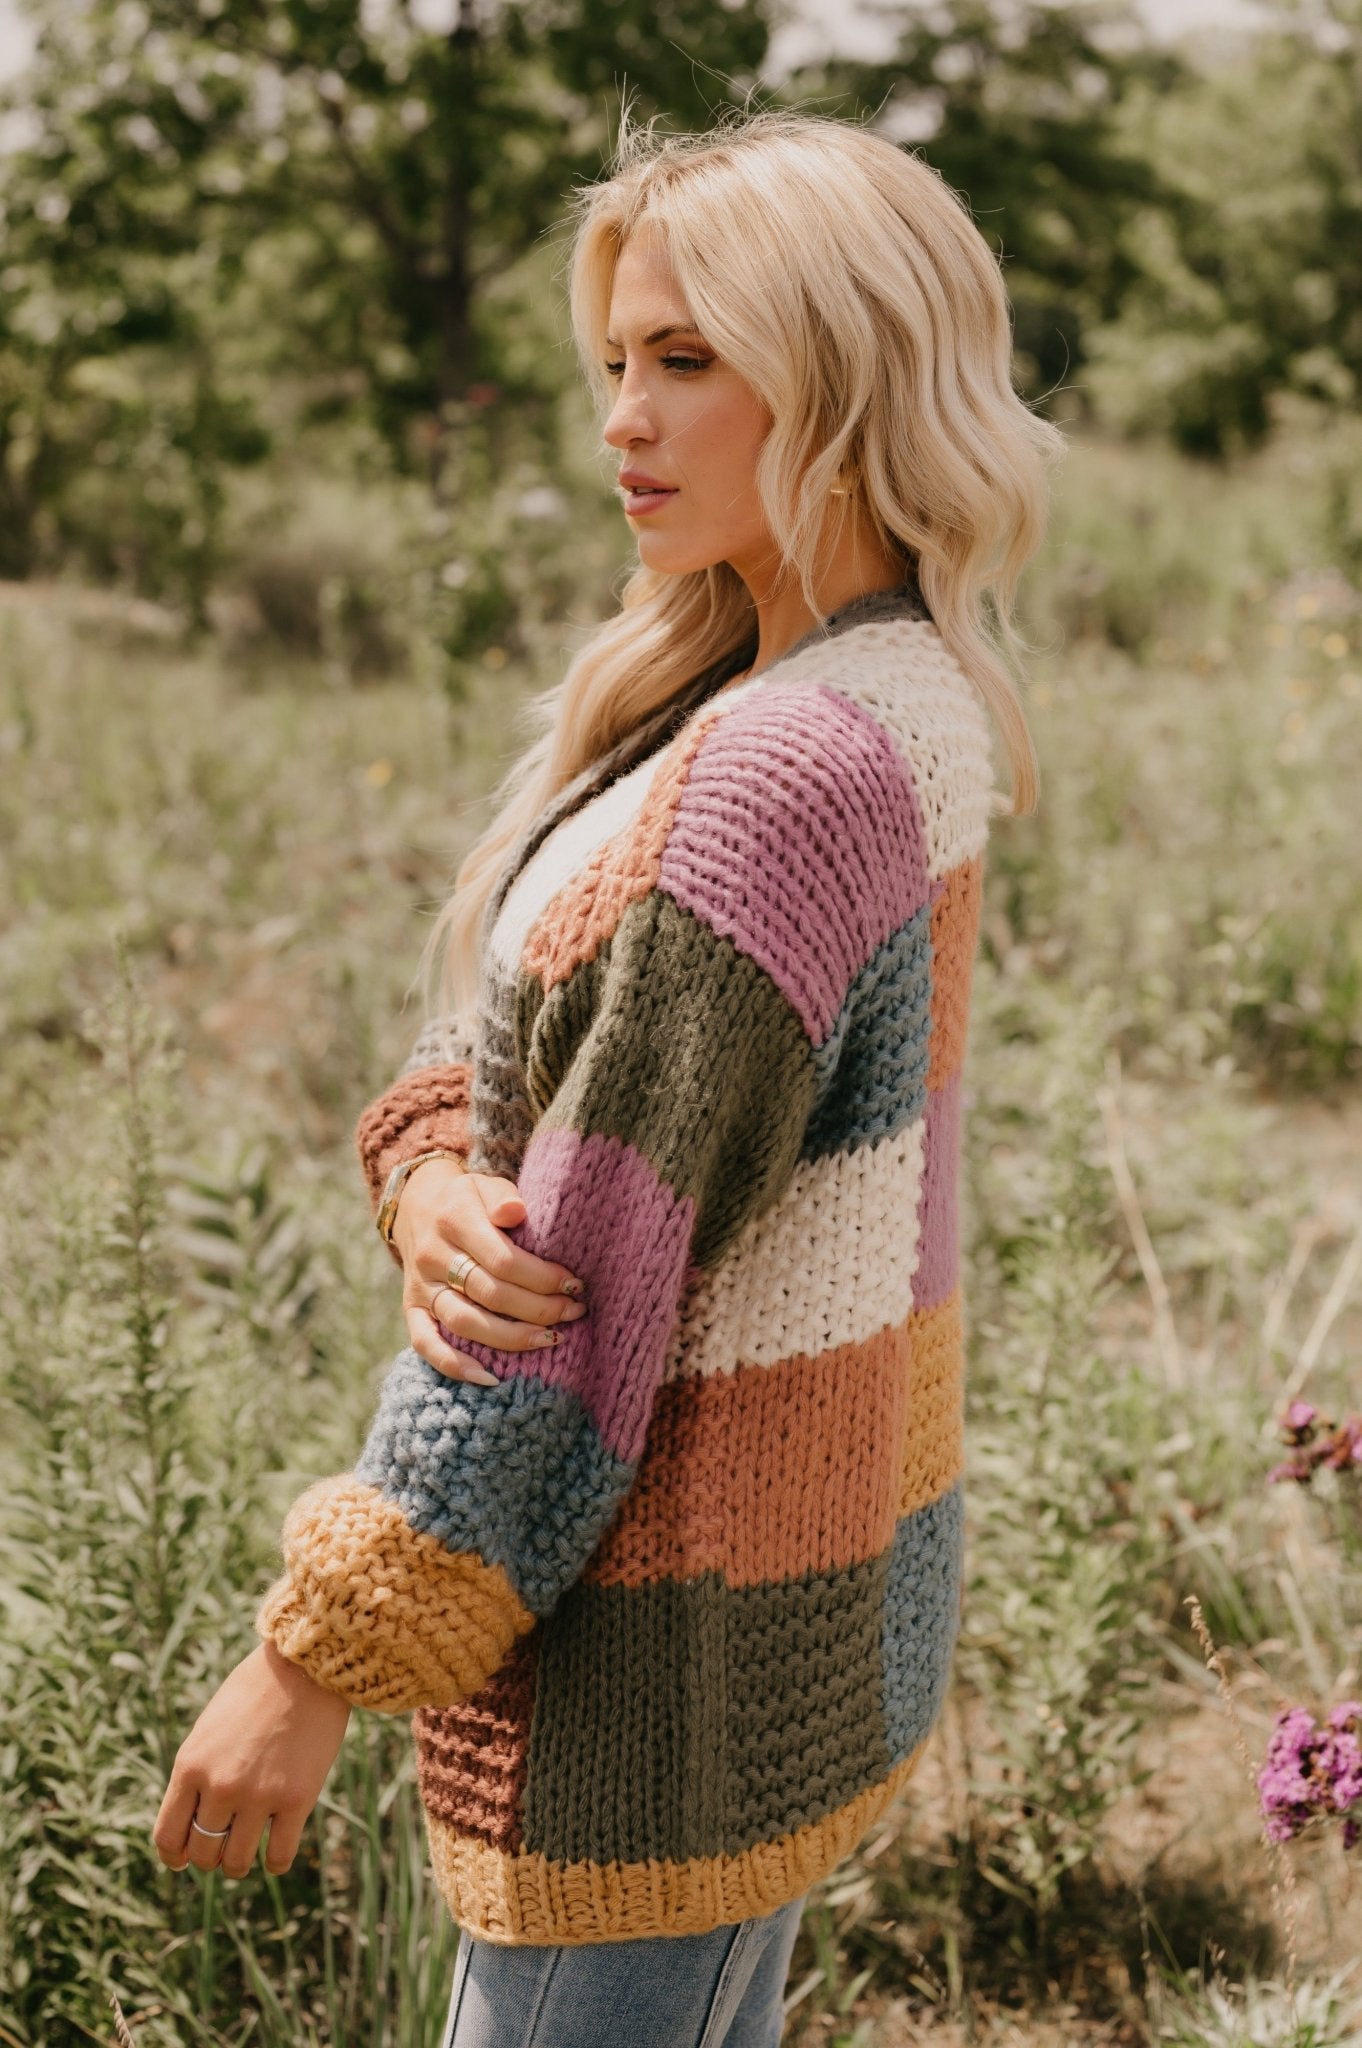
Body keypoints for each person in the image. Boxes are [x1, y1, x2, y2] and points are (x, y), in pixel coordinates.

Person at [153, 107, 1063, 2048]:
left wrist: (310, 1661)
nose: (622, 422)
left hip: (657, 1679)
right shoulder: (853, 690)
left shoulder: (781, 771)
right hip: (785, 1621)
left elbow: (576, 1311)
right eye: (612, 366)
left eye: (687, 360)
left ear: (847, 368)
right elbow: (509, 1050)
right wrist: (420, 1172)